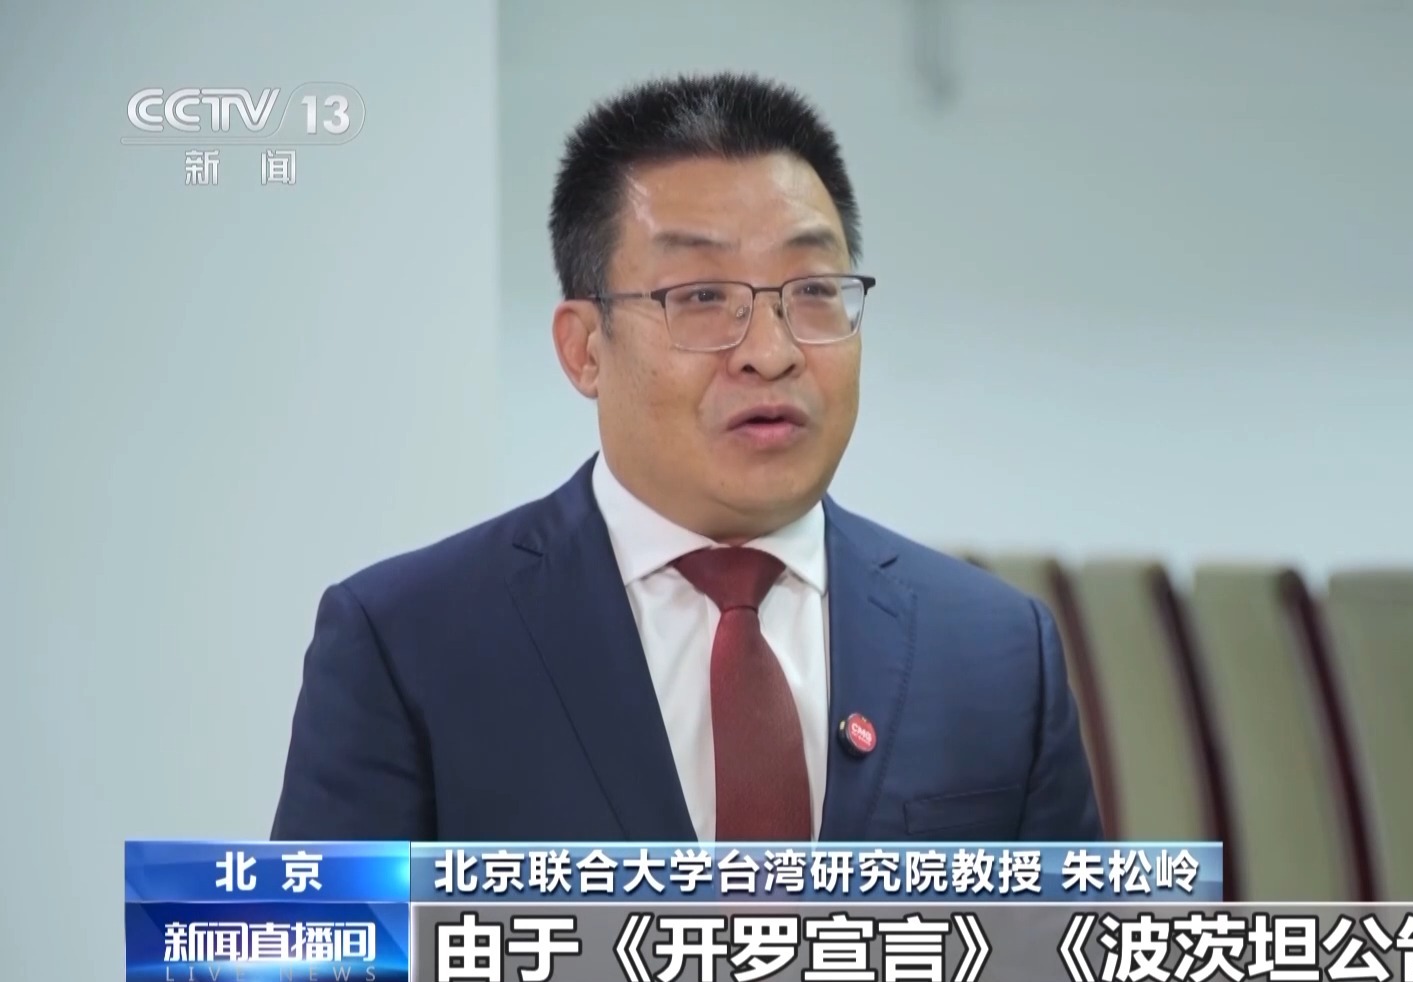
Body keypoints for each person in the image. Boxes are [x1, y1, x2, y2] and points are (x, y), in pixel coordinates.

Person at [270, 73, 1102, 843]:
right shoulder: (408, 643)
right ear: (585, 348)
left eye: (814, 291)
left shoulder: (997, 651)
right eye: (702, 297)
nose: (770, 353)